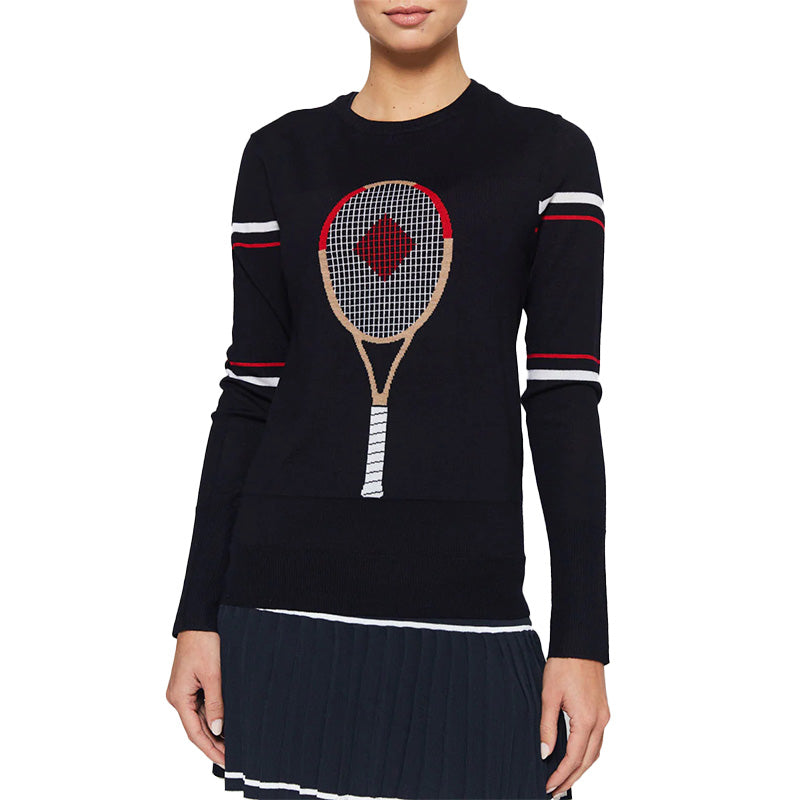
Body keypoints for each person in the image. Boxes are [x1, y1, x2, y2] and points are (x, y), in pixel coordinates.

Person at [166, 2, 611, 798]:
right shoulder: (279, 156)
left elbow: (563, 401)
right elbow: (251, 393)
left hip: (472, 612)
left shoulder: (548, 155)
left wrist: (583, 638)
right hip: (280, 617)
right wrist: (196, 614)